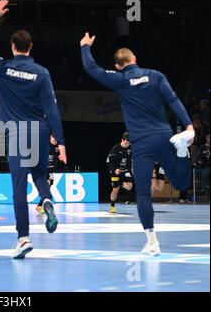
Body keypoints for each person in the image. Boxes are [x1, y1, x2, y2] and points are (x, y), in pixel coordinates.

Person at [81, 33, 194, 256]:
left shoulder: (120, 79)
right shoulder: (156, 76)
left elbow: (92, 69)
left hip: (140, 142)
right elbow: (173, 100)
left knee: (143, 193)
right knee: (181, 184)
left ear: (117, 65)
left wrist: (85, 47)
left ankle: (152, 242)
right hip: (164, 135)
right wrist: (189, 125)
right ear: (135, 59)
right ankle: (182, 152)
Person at [0, 0, 67, 259]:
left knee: (18, 187)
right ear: (31, 47)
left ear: (13, 47)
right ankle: (46, 200)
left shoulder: (3, 67)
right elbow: (52, 110)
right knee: (39, 177)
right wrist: (60, 142)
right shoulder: (42, 73)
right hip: (39, 131)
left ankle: (23, 238)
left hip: (16, 134)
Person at [35, 134, 65, 215]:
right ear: (50, 137)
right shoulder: (45, 145)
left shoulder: (57, 147)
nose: (56, 140)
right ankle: (40, 206)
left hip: (52, 171)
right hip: (44, 170)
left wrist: (60, 156)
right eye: (54, 138)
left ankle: (40, 205)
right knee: (46, 187)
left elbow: (58, 156)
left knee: (49, 186)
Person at [106, 132, 133, 213]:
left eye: (128, 144)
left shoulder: (131, 147)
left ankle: (119, 183)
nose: (126, 145)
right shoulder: (116, 148)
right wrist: (115, 169)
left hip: (125, 170)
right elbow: (108, 161)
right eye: (125, 143)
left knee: (129, 187)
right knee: (115, 190)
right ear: (122, 140)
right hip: (115, 170)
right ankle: (112, 205)